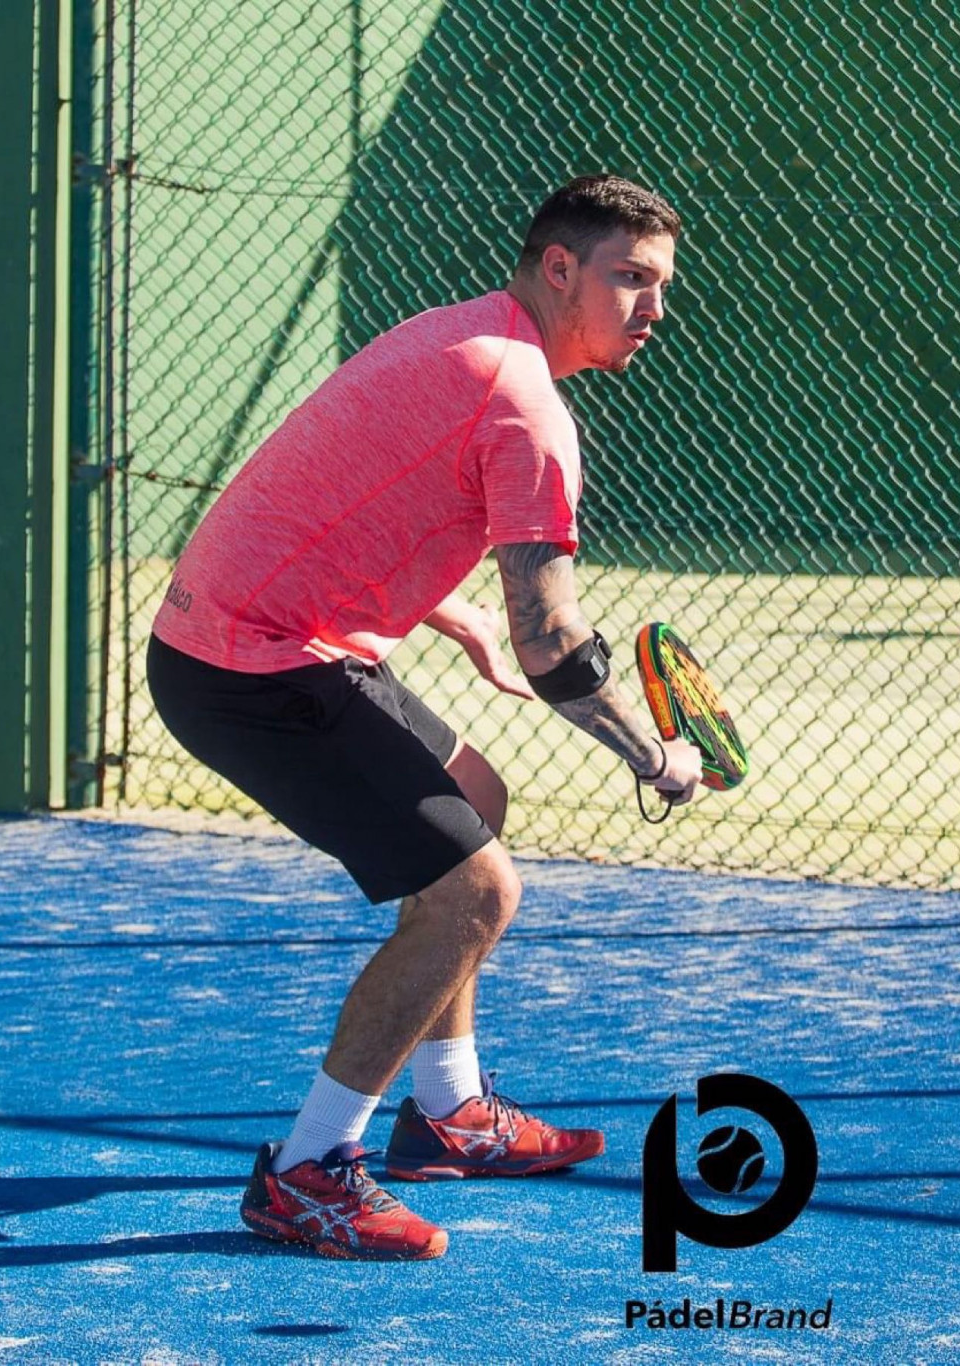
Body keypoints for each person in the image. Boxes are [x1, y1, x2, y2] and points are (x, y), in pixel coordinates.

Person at [145, 174, 706, 1261]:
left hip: (250, 634)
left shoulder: (458, 334)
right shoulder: (528, 409)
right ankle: (308, 1171)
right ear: (558, 269)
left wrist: (451, 614)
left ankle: (449, 1111)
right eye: (630, 278)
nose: (653, 308)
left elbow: (346, 488)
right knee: (476, 892)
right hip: (252, 668)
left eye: (661, 284)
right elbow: (556, 647)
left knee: (474, 798)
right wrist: (655, 757)